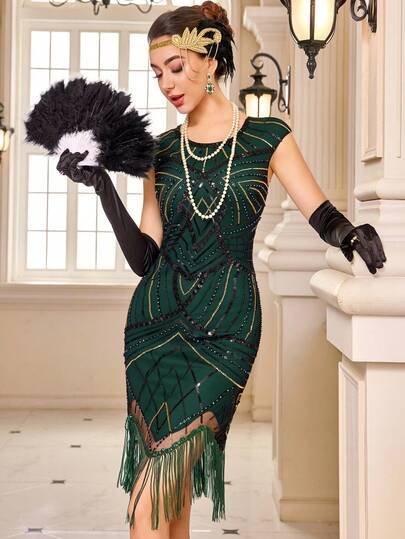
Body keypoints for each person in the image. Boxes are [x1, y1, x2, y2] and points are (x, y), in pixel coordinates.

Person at [56, 2, 386, 537]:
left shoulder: (267, 137)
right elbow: (143, 259)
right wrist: (104, 188)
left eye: (176, 67)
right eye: (157, 73)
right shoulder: (159, 152)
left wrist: (350, 235)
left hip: (228, 328)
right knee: (170, 498)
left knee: (154, 495)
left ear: (210, 61)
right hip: (154, 327)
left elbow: (321, 213)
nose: (167, 83)